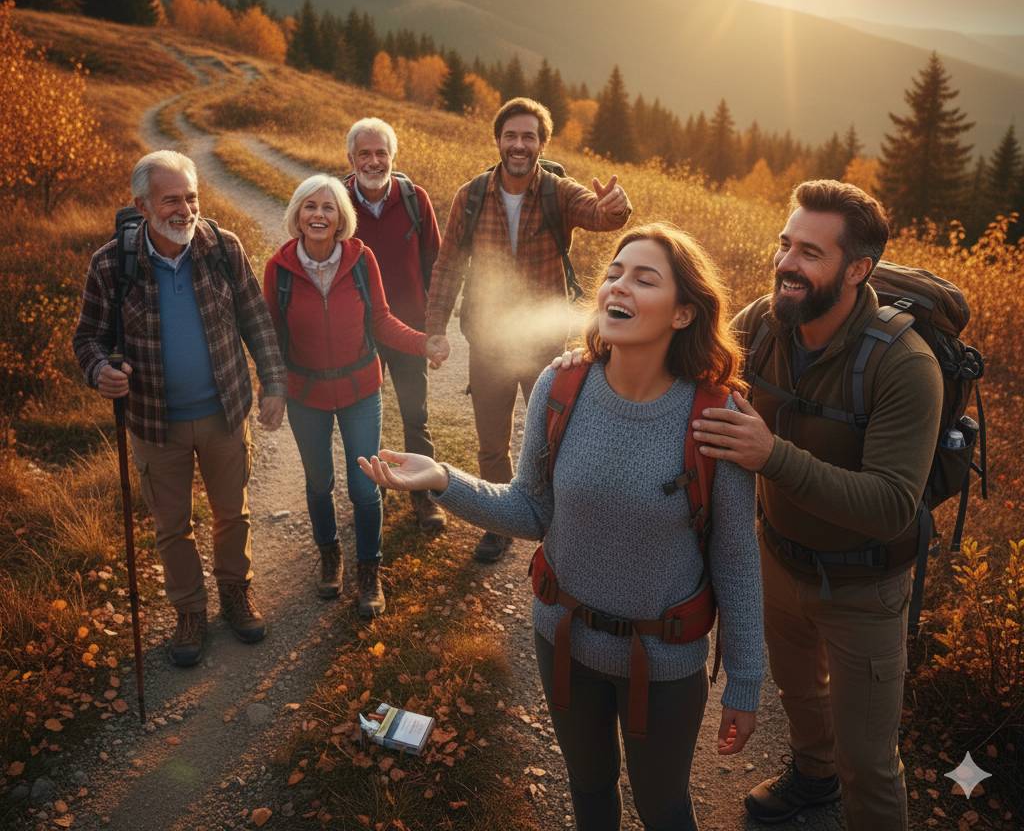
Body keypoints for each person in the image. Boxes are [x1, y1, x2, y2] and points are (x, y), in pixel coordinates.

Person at [361, 223, 763, 831]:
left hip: (665, 660)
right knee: (589, 790)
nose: (617, 286)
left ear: (683, 313)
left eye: (643, 278)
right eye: (614, 273)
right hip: (563, 639)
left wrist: (746, 680)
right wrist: (442, 477)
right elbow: (529, 509)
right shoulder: (561, 385)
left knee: (665, 809)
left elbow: (736, 561)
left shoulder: (718, 415)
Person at [692, 180, 942, 830]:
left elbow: (891, 505)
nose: (786, 263)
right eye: (785, 244)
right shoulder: (761, 323)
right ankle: (811, 778)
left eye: (809, 252)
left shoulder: (905, 366)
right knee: (799, 695)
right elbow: (694, 368)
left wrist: (771, 456)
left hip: (866, 586)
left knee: (869, 760)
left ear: (858, 270)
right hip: (779, 562)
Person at [73, 149, 286, 667]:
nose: (185, 209)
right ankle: (189, 610)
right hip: (154, 422)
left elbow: (255, 319)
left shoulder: (221, 248)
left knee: (231, 513)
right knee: (171, 525)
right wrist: (99, 370)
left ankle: (236, 592)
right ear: (142, 205)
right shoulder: (110, 265)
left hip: (224, 411)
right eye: (172, 199)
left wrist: (273, 382)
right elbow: (88, 339)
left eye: (191, 196)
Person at [426, 96, 632, 562]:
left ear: (542, 144)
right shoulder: (472, 196)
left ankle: (562, 522)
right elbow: (447, 266)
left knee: (558, 438)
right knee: (492, 441)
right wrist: (435, 328)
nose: (519, 145)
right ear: (498, 140)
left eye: (529, 137)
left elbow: (600, 215)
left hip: (544, 345)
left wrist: (617, 207)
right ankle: (499, 523)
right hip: (489, 342)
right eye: (511, 136)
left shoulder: (558, 192)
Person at [262, 174, 448, 618]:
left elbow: (381, 322)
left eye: (329, 207)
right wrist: (271, 389)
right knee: (318, 481)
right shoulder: (279, 268)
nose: (319, 215)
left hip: (361, 389)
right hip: (306, 393)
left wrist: (423, 343)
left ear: (341, 217)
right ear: (298, 216)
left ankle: (369, 570)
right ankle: (330, 555)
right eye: (310, 207)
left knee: (366, 487)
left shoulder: (361, 260)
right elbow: (270, 335)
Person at [342, 117, 446, 534]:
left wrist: (433, 328)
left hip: (407, 328)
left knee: (415, 414)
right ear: (350, 159)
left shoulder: (414, 199)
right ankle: (373, 496)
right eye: (364, 154)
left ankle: (424, 497)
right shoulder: (336, 201)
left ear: (392, 157)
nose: (373, 161)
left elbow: (437, 266)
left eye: (381, 153)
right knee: (367, 418)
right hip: (358, 334)